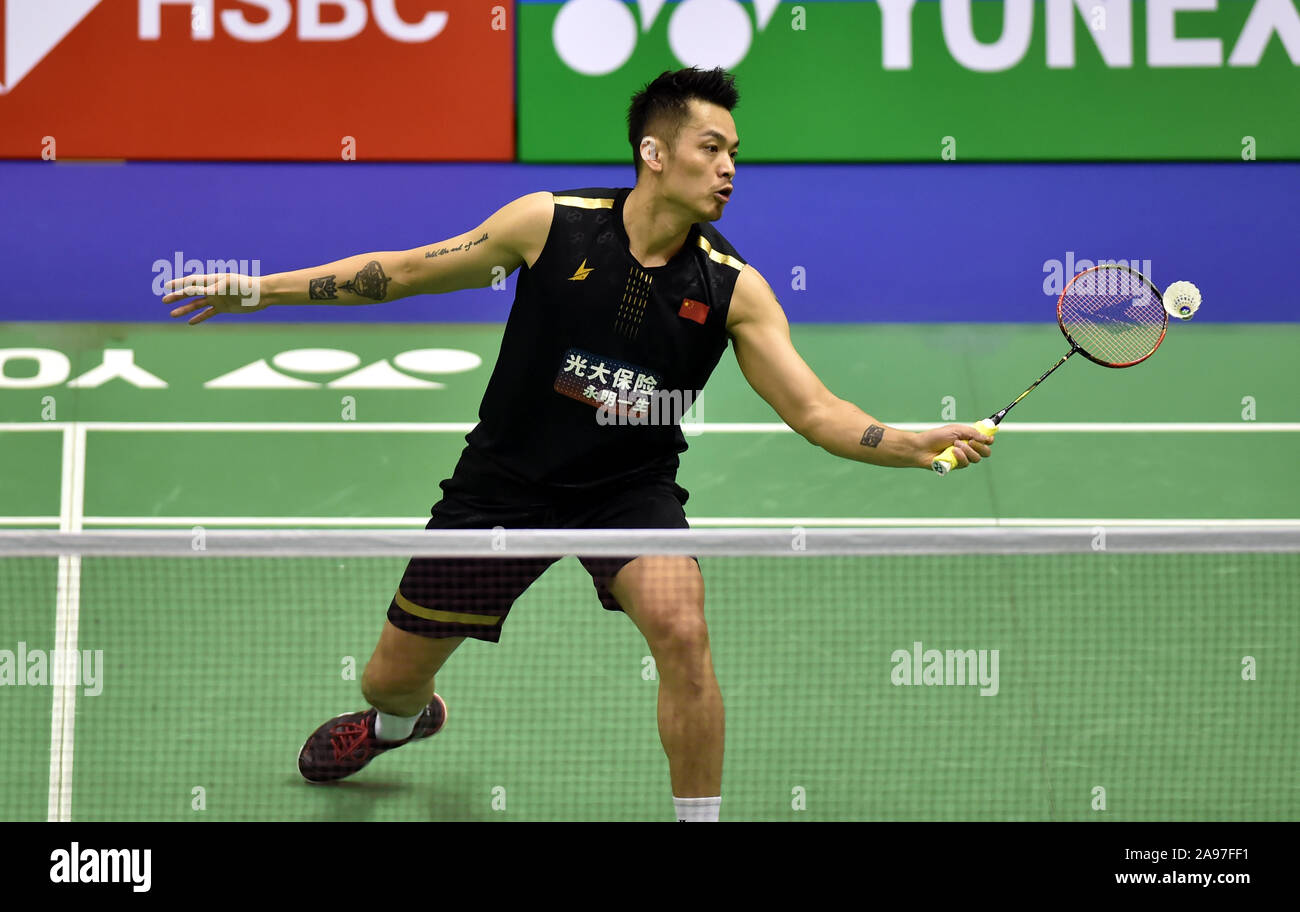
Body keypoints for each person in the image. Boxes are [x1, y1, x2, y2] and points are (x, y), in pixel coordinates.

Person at [162, 67, 993, 822]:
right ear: (654, 152)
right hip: (503, 486)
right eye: (712, 149)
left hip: (627, 491)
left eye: (736, 152)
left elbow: (816, 411)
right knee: (388, 678)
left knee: (682, 627)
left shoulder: (733, 287)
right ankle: (399, 722)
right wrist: (260, 290)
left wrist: (915, 443)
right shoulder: (549, 224)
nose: (731, 168)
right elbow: (408, 270)